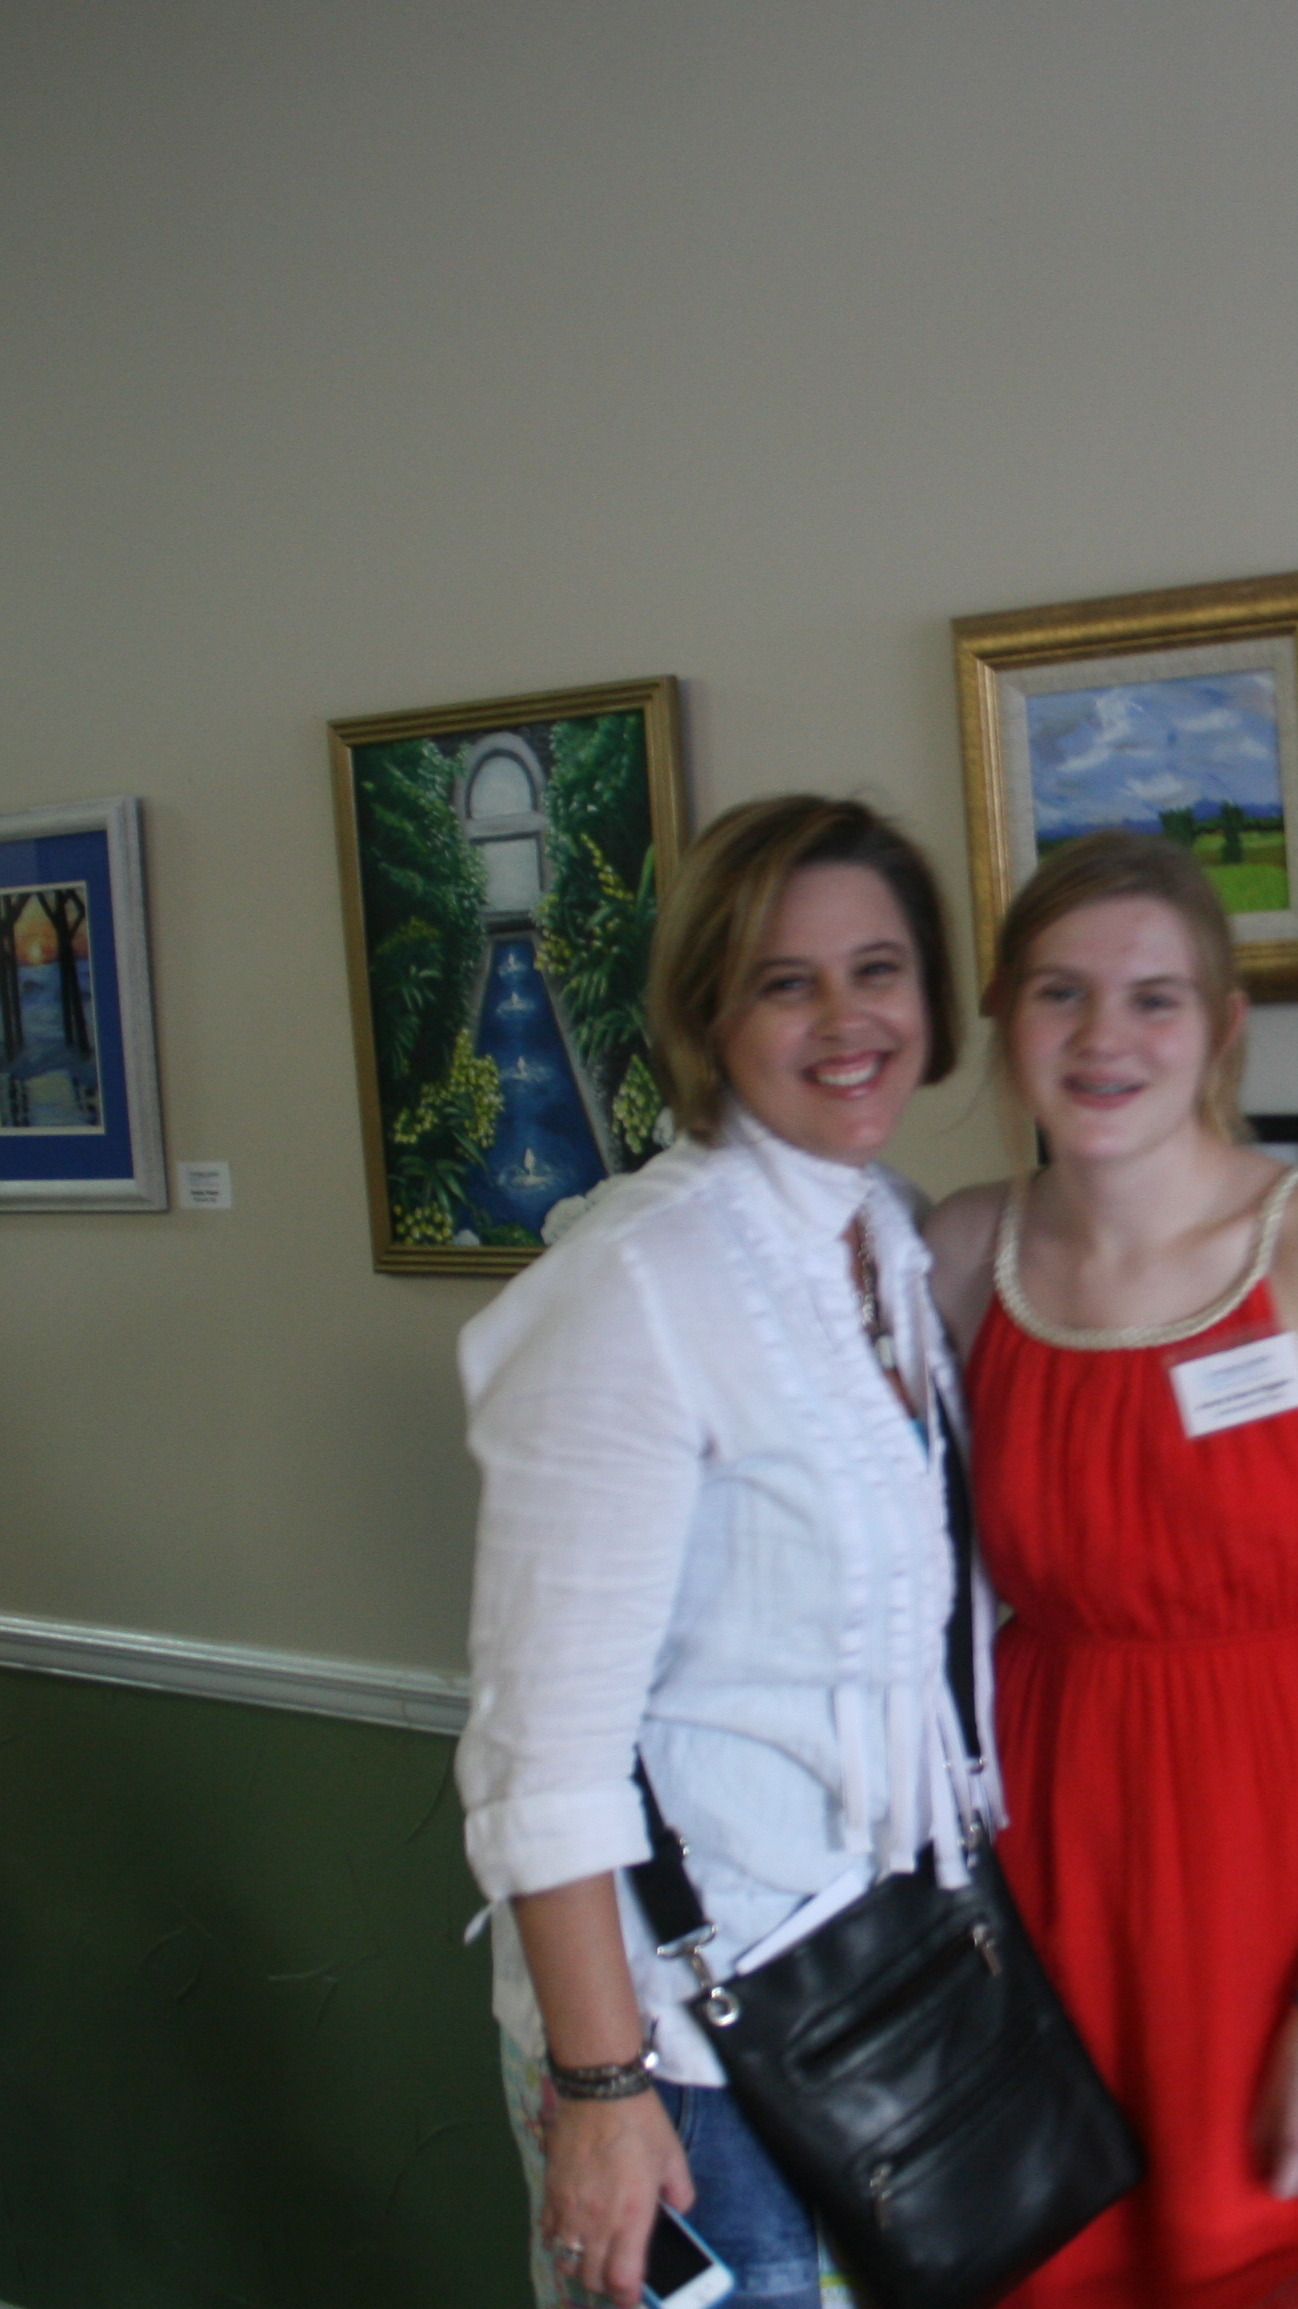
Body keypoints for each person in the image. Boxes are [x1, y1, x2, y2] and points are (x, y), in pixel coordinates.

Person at [927, 833, 1298, 2307]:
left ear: (1223, 1026)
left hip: (1288, 1903)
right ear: (1004, 1012)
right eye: (1060, 992)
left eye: (1153, 998)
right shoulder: (962, 1257)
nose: (1104, 1037)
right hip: (1046, 1887)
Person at [454, 798, 987, 2309]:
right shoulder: (634, 1282)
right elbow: (542, 1753)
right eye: (784, 982)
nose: (847, 1020)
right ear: (706, 1014)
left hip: (872, 1997)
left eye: (878, 970)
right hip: (688, 2059)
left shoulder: (887, 1238)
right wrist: (601, 2088)